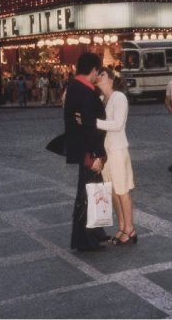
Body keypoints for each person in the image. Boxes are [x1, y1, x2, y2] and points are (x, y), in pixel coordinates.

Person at [64, 52, 110, 251]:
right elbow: (90, 127)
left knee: (92, 191)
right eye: (97, 72)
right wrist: (97, 155)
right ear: (93, 70)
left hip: (79, 147)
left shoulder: (74, 87)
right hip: (88, 151)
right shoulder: (86, 92)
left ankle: (96, 232)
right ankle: (85, 239)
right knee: (88, 194)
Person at [94, 67, 138, 244]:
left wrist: (93, 122)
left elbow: (118, 124)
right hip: (106, 152)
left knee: (122, 190)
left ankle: (130, 228)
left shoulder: (119, 97)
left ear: (111, 79)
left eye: (102, 74)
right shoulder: (102, 99)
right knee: (113, 191)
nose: (98, 76)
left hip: (118, 150)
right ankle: (122, 226)